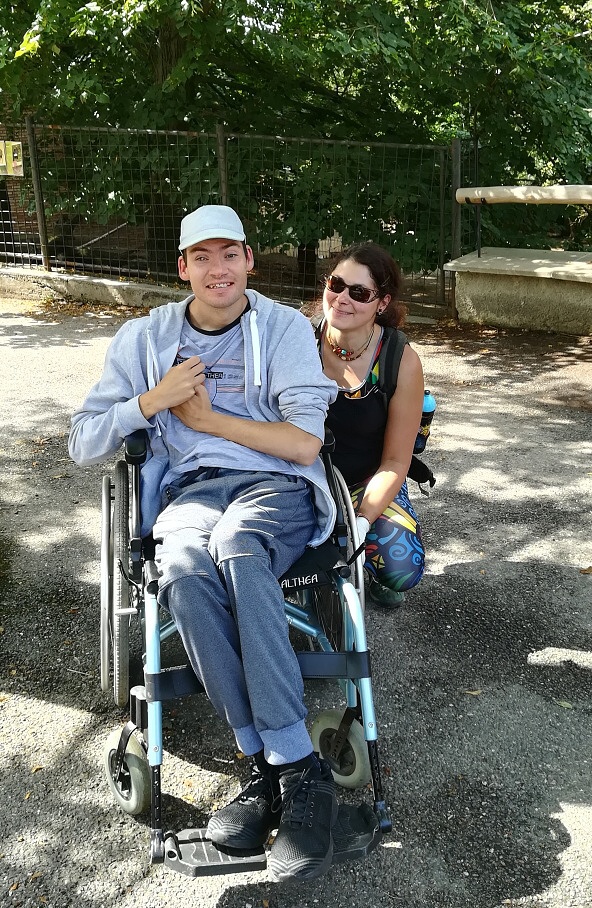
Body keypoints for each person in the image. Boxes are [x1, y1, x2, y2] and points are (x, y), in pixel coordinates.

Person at [68, 205, 342, 883]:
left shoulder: (282, 328)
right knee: (184, 569)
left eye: (230, 254)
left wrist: (210, 418)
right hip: (191, 490)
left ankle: (294, 768)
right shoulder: (145, 339)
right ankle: (271, 766)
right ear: (182, 267)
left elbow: (304, 444)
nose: (218, 269)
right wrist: (151, 401)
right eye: (202, 257)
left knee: (237, 545)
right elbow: (83, 442)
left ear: (248, 260)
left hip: (275, 486)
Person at [313, 242, 426, 608]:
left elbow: (395, 462)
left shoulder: (399, 360)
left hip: (366, 480)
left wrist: (362, 521)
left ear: (382, 303)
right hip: (300, 477)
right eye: (336, 284)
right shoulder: (298, 339)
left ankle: (374, 572)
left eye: (359, 293)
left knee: (401, 568)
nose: (342, 299)